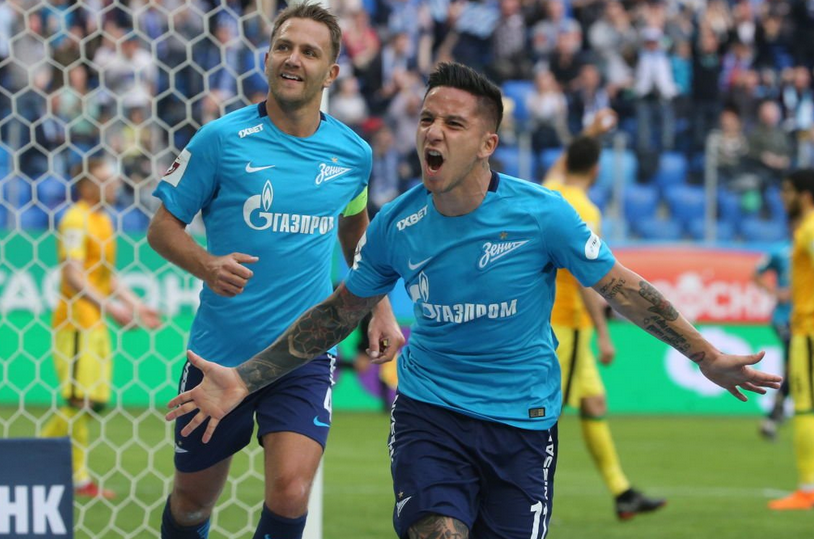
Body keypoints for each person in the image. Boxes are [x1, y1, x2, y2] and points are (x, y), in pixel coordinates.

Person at [166, 63, 781, 539]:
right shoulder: (395, 225)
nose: (433, 133)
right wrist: (246, 378)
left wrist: (705, 354)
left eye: (453, 124)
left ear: (487, 144)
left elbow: (623, 287)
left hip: (523, 421)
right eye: (426, 119)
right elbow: (337, 314)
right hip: (430, 413)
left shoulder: (542, 215)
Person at [146, 3, 403, 538]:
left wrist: (379, 306)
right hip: (220, 353)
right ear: (266, 58)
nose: (293, 59)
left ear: (331, 73)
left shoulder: (353, 155)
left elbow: (356, 234)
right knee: (192, 504)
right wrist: (207, 264)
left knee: (290, 493)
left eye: (309, 52)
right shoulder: (220, 140)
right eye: (284, 46)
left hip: (302, 355)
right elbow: (162, 229)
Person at [542, 116, 666, 520]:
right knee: (545, 414)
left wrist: (590, 135)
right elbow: (585, 276)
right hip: (566, 324)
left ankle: (621, 492)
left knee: (594, 402)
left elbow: (560, 165)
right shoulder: (586, 210)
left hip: (554, 320)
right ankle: (521, 491)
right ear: (597, 170)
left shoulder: (551, 191)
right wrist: (604, 332)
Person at [41, 157, 161, 499]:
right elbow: (73, 274)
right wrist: (112, 308)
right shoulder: (75, 219)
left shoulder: (103, 220)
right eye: (106, 179)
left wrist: (135, 304)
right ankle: (66, 473)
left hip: (94, 324)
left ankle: (42, 458)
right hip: (75, 322)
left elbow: (105, 275)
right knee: (80, 400)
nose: (115, 184)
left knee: (93, 401)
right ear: (86, 185)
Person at [769, 169, 814, 510]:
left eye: (788, 191)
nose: (783, 197)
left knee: (805, 408)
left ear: (804, 194)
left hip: (809, 330)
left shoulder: (810, 229)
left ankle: (808, 489)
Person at [753, 234, 793, 440]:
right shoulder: (780, 251)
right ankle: (773, 416)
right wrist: (776, 292)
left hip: (807, 320)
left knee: (795, 369)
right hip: (785, 319)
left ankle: (776, 413)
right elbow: (756, 273)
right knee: (797, 365)